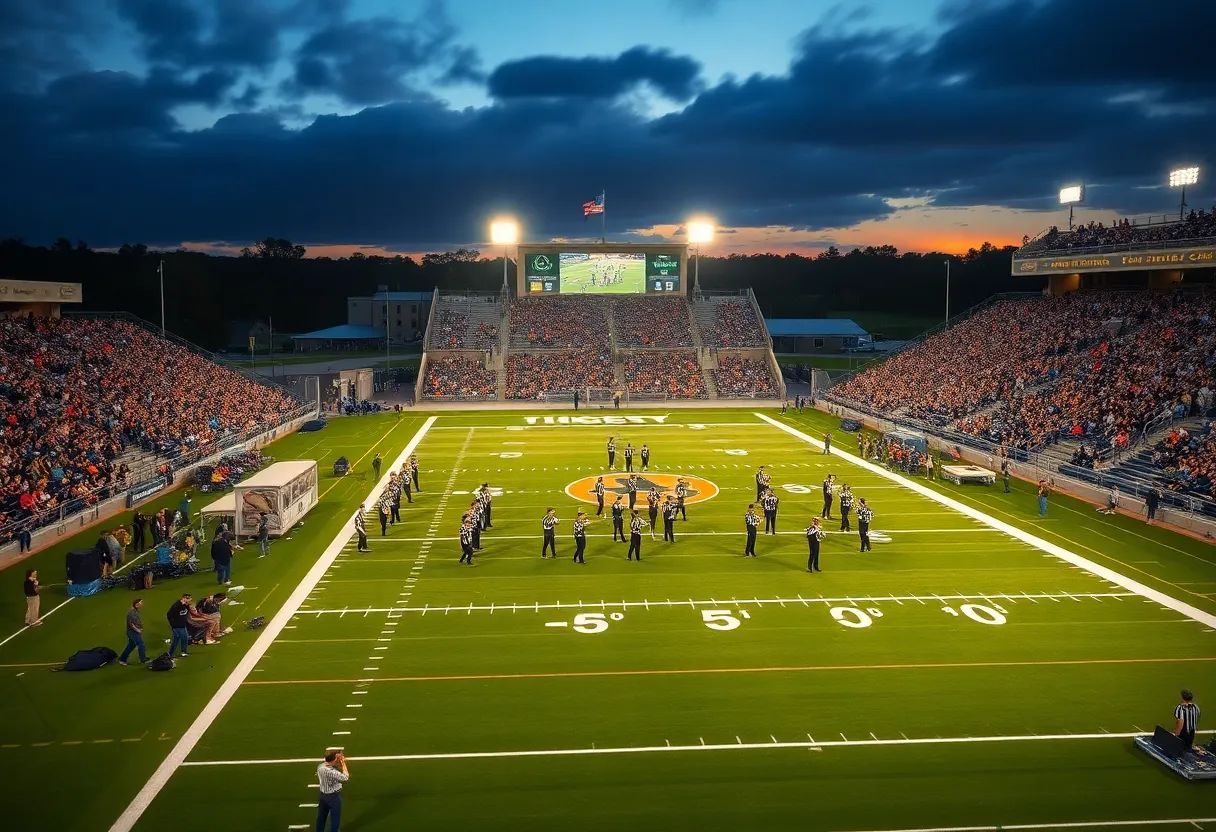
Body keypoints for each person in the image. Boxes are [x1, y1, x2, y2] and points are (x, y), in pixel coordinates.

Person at [316, 749, 350, 832]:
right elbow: (345, 777)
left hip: (323, 796)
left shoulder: (320, 767)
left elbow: (331, 765)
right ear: (334, 760)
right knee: (335, 819)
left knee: (321, 818)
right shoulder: (332, 772)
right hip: (333, 797)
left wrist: (336, 758)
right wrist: (342, 762)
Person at [119, 598, 147, 665]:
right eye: (141, 603)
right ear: (136, 604)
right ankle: (143, 660)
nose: (142, 604)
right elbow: (131, 624)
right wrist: (138, 630)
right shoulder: (131, 613)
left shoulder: (135, 611)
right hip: (133, 632)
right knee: (141, 644)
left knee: (131, 645)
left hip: (132, 632)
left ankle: (122, 659)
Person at [167, 593, 192, 658]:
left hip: (182, 625)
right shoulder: (177, 605)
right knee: (182, 638)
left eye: (189, 598)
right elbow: (169, 615)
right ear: (183, 598)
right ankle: (181, 652)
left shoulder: (186, 605)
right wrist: (173, 625)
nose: (189, 600)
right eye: (188, 598)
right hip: (177, 626)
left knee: (178, 639)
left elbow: (186, 612)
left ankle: (172, 653)